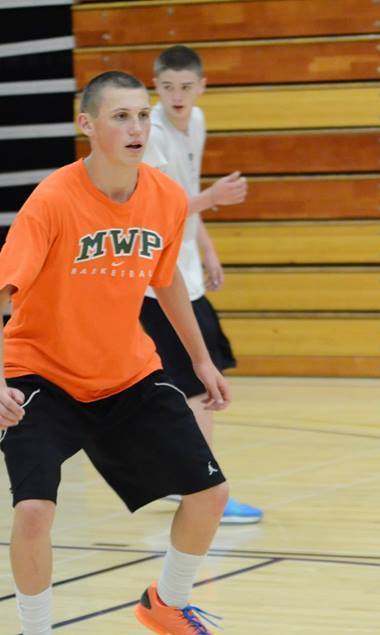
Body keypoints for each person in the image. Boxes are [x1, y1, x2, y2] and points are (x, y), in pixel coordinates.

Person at [0, 71, 229, 635]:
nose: (136, 128)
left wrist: (200, 359)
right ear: (88, 125)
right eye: (120, 117)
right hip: (39, 374)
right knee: (33, 512)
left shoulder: (165, 196)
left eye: (142, 116)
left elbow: (167, 277)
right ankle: (36, 630)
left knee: (210, 494)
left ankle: (166, 602)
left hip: (125, 373)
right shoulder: (52, 200)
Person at [138, 44, 262, 524]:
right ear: (156, 87)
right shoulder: (150, 134)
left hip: (185, 273)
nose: (176, 95)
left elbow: (185, 194)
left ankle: (181, 479)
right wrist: (211, 198)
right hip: (158, 282)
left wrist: (207, 248)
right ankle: (205, 489)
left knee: (184, 385)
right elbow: (154, 210)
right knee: (197, 386)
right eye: (167, 87)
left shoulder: (199, 120)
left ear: (202, 86)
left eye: (186, 86)